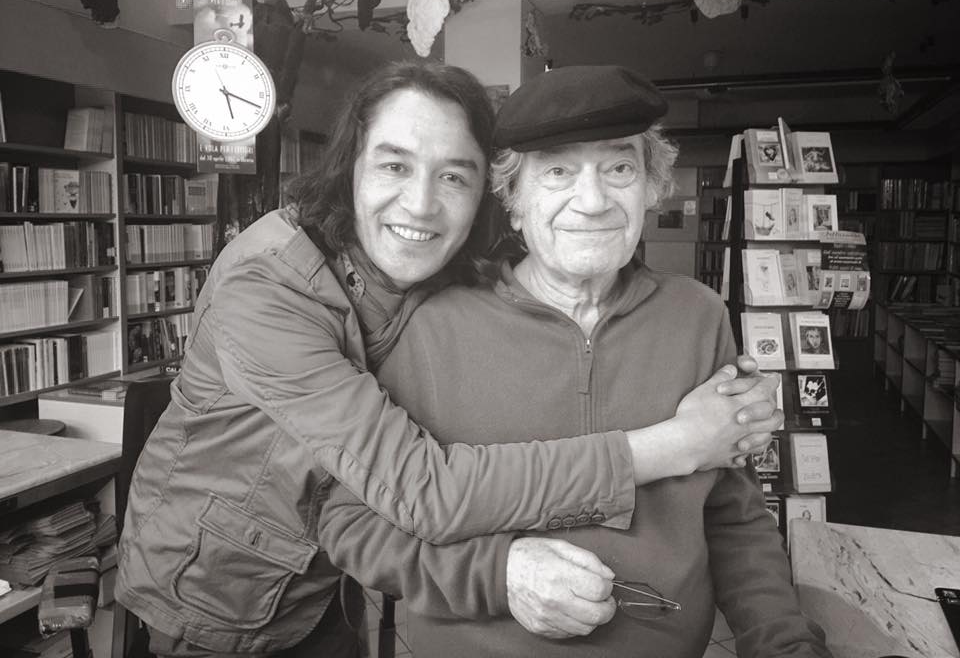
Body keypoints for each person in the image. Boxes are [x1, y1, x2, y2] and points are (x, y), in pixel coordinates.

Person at [115, 61, 781, 658]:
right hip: (219, 595)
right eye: (394, 166)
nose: (422, 203)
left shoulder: (688, 315)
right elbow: (414, 491)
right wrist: (681, 444)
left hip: (324, 593)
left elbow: (733, 513)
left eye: (454, 175)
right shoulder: (271, 291)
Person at [319, 65, 831, 657]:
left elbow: (733, 514)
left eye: (619, 169)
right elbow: (351, 522)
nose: (592, 201)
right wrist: (497, 574)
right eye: (558, 171)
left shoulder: (698, 316)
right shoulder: (431, 325)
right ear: (513, 201)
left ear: (651, 188)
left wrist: (782, 641)